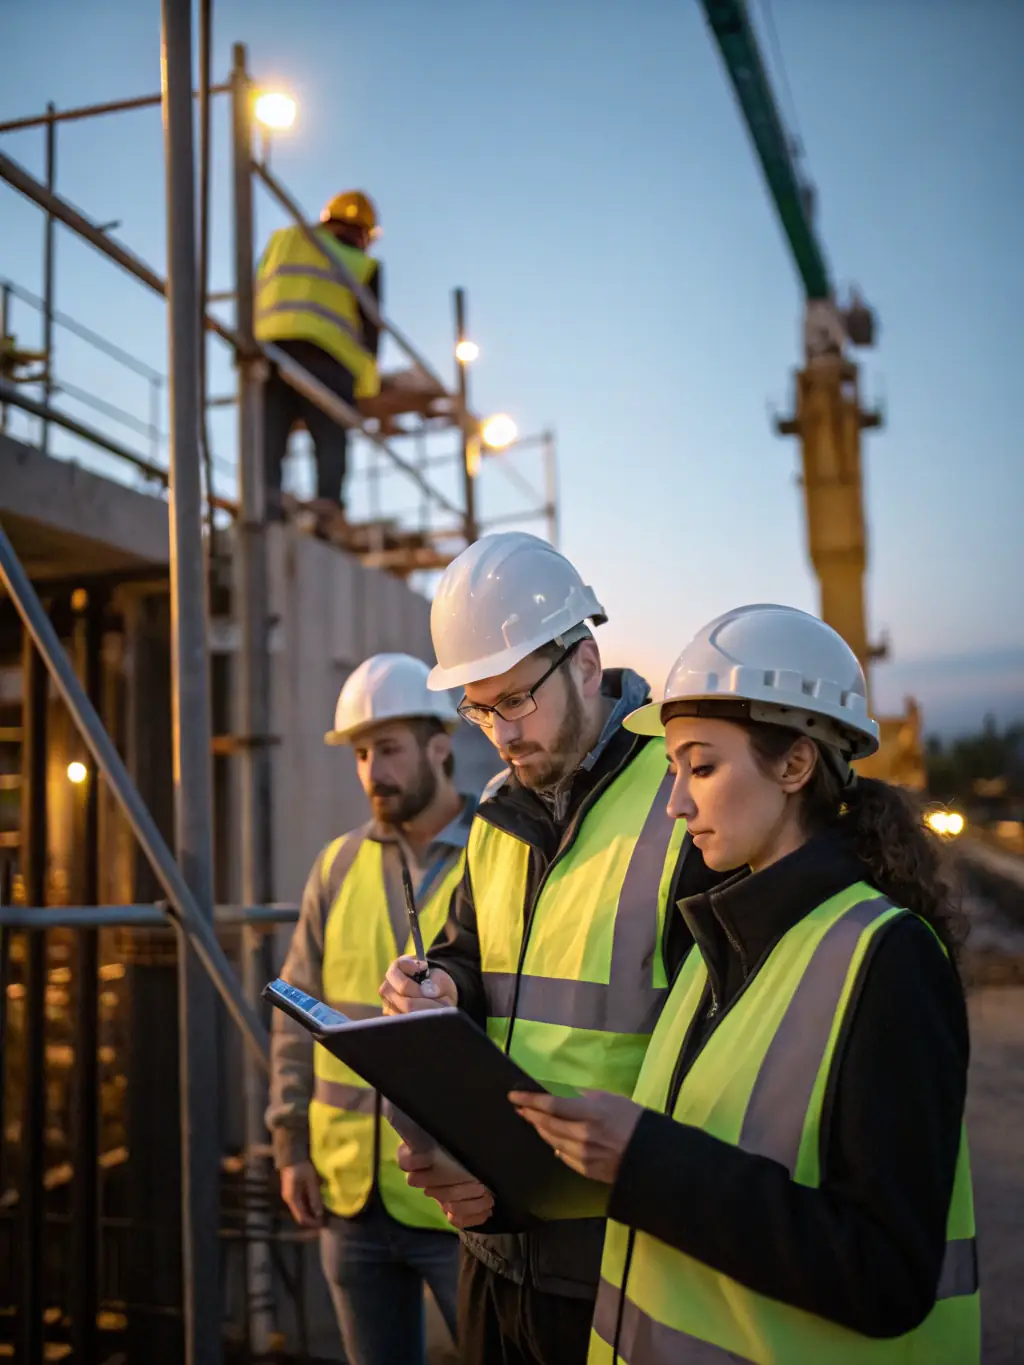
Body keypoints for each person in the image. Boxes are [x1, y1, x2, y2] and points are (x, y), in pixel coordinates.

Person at [512, 604, 979, 1364]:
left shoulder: (889, 962)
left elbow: (887, 1273)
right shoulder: (713, 951)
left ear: (795, 764)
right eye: (671, 771)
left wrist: (647, 1161)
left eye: (701, 766)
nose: (676, 802)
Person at [378, 532, 727, 1365]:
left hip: (625, 1255)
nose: (498, 733)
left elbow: (729, 1038)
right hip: (495, 1244)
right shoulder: (501, 807)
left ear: (583, 661)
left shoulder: (683, 796)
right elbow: (471, 952)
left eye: (514, 700)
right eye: (478, 708)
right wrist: (441, 988)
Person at [266, 652, 472, 1365]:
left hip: (460, 1192)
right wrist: (290, 1143)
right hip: (348, 1193)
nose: (371, 770)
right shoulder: (336, 865)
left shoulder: (497, 857)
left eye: (387, 748)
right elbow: (295, 1017)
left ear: (438, 746)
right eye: (360, 752)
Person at [254, 188, 383, 528]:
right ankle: (327, 515)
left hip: (271, 349)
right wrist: (366, 389)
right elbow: (371, 332)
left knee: (269, 434)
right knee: (330, 439)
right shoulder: (365, 265)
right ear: (364, 233)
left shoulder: (284, 239)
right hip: (330, 360)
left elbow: (254, 286)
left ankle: (265, 503)